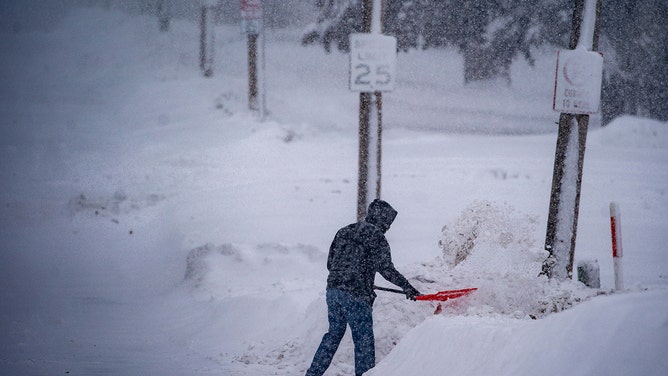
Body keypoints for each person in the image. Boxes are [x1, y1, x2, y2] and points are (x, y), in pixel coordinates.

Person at [305, 199, 421, 376]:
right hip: (355, 296)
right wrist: (407, 287)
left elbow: (331, 263)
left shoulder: (345, 230)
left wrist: (357, 276)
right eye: (388, 224)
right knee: (363, 342)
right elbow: (386, 269)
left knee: (333, 335)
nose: (388, 228)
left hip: (333, 291)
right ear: (384, 222)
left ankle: (313, 373)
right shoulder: (376, 236)